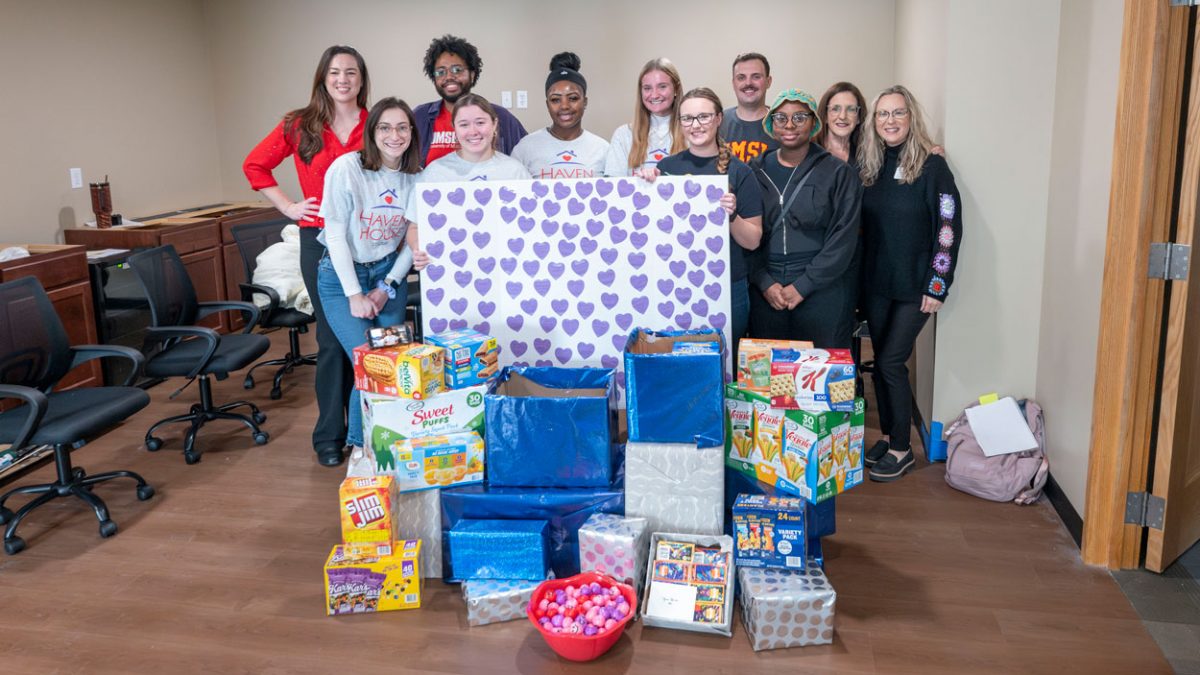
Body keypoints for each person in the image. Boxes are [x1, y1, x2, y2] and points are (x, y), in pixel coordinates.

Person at [242, 45, 368, 467]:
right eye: (335, 72)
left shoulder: (374, 124)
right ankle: (329, 437)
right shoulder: (300, 125)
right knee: (332, 340)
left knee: (366, 342)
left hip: (368, 245)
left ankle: (366, 432)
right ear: (322, 78)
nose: (343, 79)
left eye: (351, 72)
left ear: (362, 79)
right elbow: (255, 166)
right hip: (319, 241)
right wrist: (289, 207)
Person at [857, 85, 962, 483]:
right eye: (883, 114)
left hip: (916, 287)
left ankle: (903, 451)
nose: (890, 121)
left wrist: (938, 284)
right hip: (877, 284)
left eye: (898, 113)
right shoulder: (870, 165)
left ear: (911, 117)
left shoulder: (933, 167)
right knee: (879, 364)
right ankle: (888, 435)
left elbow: (948, 228)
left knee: (890, 363)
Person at [317, 97, 430, 458]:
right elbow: (334, 234)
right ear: (372, 132)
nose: (393, 135)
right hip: (341, 276)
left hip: (387, 271)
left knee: (391, 359)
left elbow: (412, 242)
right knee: (367, 359)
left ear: (412, 133)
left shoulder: (417, 177)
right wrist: (354, 294)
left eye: (402, 127)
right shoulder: (347, 168)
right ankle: (360, 447)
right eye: (384, 127)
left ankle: (386, 439)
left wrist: (387, 287)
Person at [637, 88, 763, 355]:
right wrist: (647, 187)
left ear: (719, 119)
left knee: (723, 365)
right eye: (687, 118)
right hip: (674, 284)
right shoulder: (666, 168)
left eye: (703, 117)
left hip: (728, 288)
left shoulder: (740, 172)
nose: (695, 125)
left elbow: (752, 241)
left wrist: (731, 215)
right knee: (678, 363)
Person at [745, 89, 862, 350]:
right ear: (771, 124)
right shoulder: (753, 172)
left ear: (813, 123)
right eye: (781, 117)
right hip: (767, 290)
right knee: (769, 378)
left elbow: (843, 238)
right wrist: (764, 282)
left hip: (822, 290)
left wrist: (803, 286)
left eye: (799, 117)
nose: (789, 125)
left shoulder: (837, 173)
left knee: (821, 377)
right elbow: (743, 234)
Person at [414, 35, 527, 166]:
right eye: (440, 72)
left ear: (472, 75)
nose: (449, 76)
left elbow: (526, 157)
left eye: (457, 70)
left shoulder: (501, 116)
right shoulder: (420, 117)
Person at [511, 52, 609, 179]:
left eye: (573, 98)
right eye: (555, 100)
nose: (564, 106)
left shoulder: (603, 149)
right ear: (547, 104)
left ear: (584, 102)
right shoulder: (525, 148)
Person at [603, 58, 686, 177]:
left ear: (676, 89)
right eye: (647, 88)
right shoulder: (624, 135)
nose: (654, 95)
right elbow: (613, 188)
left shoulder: (692, 131)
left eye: (662, 86)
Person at [420, 94, 530, 182]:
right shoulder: (435, 173)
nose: (473, 132)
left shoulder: (515, 172)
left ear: (494, 124)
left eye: (480, 122)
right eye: (464, 125)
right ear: (454, 127)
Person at [719, 53, 778, 163]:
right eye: (741, 78)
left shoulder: (782, 124)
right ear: (733, 83)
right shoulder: (718, 122)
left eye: (756, 77)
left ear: (768, 81)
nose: (748, 83)